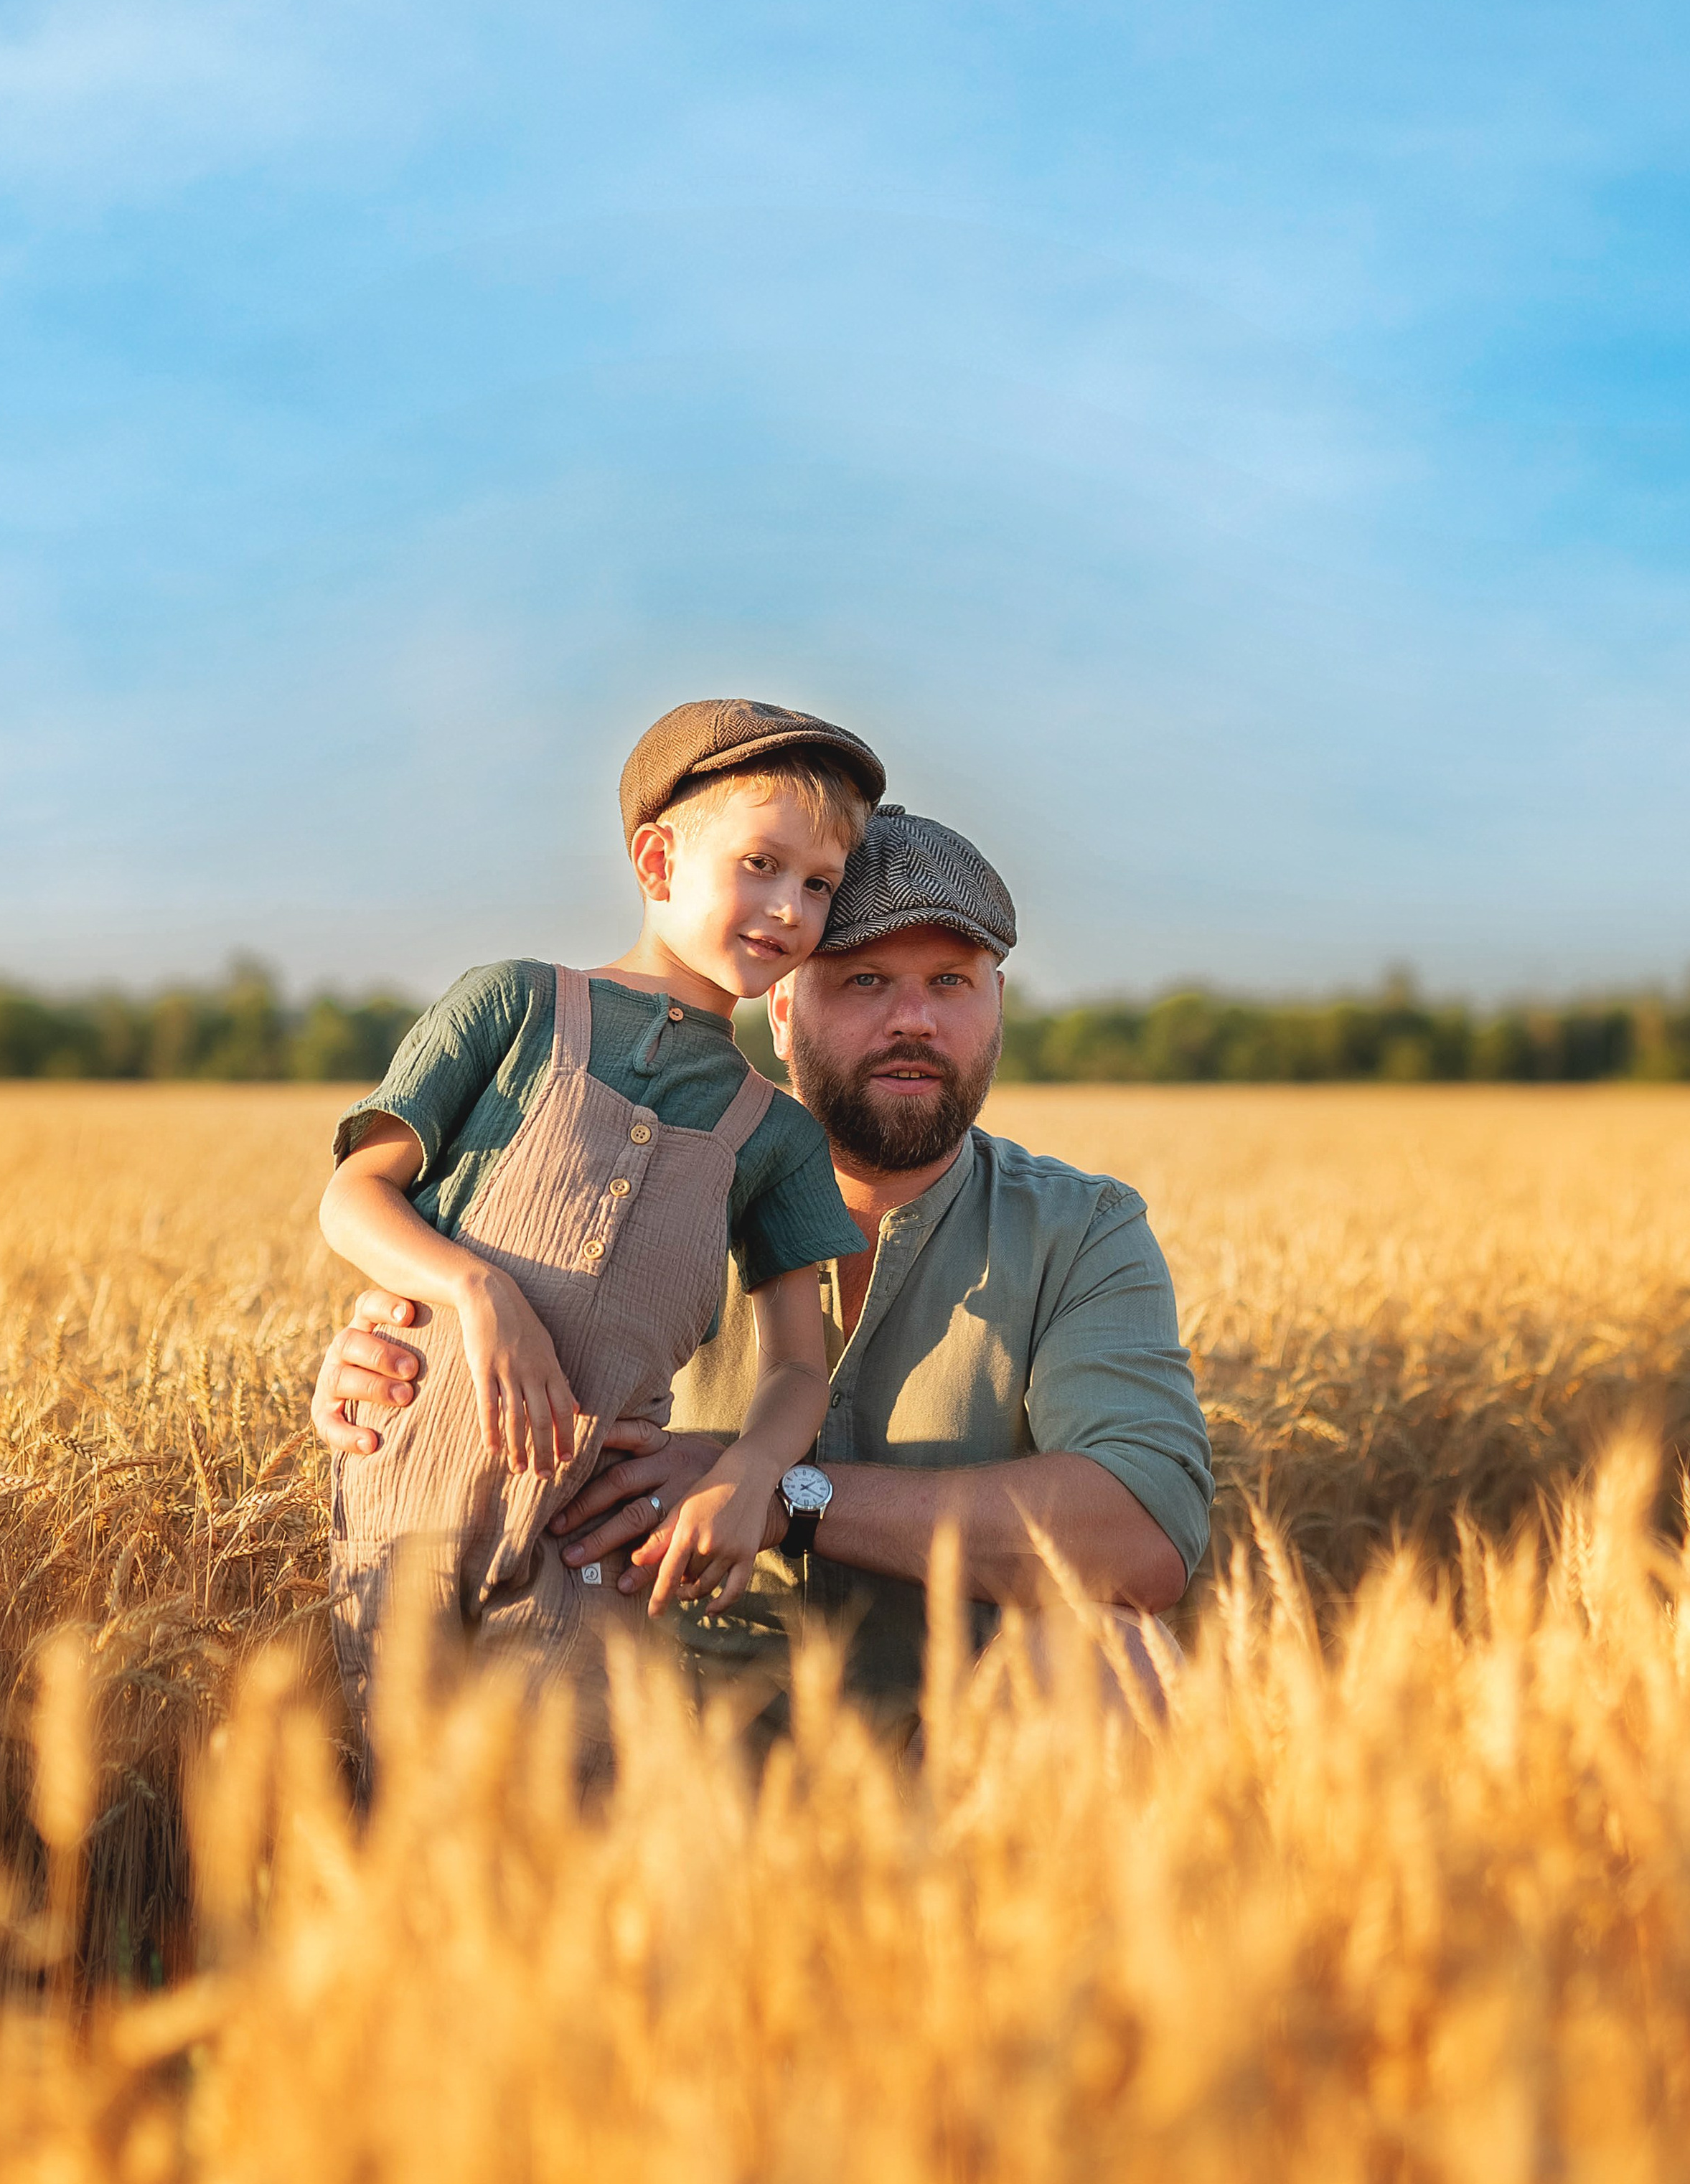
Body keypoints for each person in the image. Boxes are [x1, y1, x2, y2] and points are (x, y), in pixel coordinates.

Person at [316, 804, 1215, 1741]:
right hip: (659, 1753)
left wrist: (784, 1493)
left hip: (969, 1759)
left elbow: (1142, 1534)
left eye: (951, 981)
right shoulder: (626, 1191)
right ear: (778, 1009)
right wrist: (403, 1371)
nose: (915, 1019)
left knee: (1114, 1655)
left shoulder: (1081, 1230)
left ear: (998, 1005)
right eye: (864, 980)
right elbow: (455, 1330)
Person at [319, 696, 886, 1747]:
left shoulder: (777, 1136)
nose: (789, 907)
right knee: (398, 1800)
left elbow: (798, 1370)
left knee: (568, 1809)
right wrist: (478, 1291)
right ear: (658, 861)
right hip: (406, 1500)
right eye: (761, 864)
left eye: (819, 884)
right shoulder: (514, 1008)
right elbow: (354, 1196)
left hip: (589, 1547)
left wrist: (750, 1473)